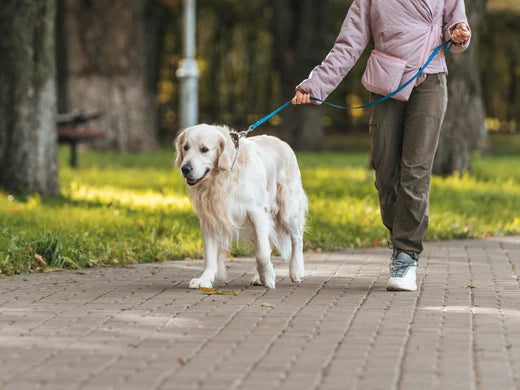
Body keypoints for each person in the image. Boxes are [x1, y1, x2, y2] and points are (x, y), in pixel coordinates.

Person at [292, 1, 471, 291]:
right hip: (386, 81)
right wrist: (316, 85)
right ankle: (401, 235)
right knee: (385, 175)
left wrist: (459, 33)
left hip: (430, 81)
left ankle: (405, 255)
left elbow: (457, 26)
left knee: (415, 171)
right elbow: (348, 44)